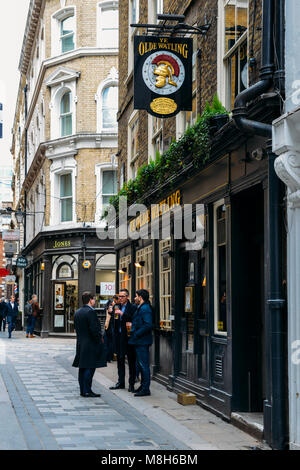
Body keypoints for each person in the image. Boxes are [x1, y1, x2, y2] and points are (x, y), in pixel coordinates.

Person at [72, 291, 106, 397]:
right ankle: (87, 390)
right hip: (90, 344)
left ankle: (83, 390)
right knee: (89, 367)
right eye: (94, 299)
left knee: (82, 368)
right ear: (90, 300)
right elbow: (94, 330)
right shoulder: (90, 312)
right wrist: (99, 340)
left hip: (81, 343)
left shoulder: (77, 312)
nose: (95, 301)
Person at [109, 289, 137, 392]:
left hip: (129, 337)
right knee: (120, 360)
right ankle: (121, 382)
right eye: (119, 296)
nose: (120, 298)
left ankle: (131, 384)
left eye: (122, 296)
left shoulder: (132, 307)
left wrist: (122, 314)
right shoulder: (117, 306)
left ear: (127, 297)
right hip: (119, 336)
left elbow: (133, 319)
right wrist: (111, 313)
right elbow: (115, 321)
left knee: (131, 361)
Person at [129, 289, 153, 397]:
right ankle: (143, 386)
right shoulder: (141, 307)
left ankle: (145, 388)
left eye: (136, 296)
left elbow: (148, 324)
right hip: (138, 341)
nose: (134, 298)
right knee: (140, 364)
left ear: (140, 297)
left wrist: (136, 333)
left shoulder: (145, 308)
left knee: (143, 365)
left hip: (142, 341)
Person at [104, 295, 118, 362]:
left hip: (107, 325)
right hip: (111, 326)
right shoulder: (113, 305)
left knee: (108, 342)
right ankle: (109, 357)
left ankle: (108, 357)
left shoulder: (109, 304)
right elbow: (114, 316)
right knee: (111, 342)